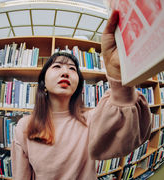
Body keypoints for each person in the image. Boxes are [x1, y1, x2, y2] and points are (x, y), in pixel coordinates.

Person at [11, 10, 151, 180]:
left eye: (72, 69)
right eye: (57, 67)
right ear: (43, 83)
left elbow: (129, 137)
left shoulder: (92, 119)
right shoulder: (24, 127)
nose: (66, 72)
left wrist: (118, 74)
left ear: (78, 85)